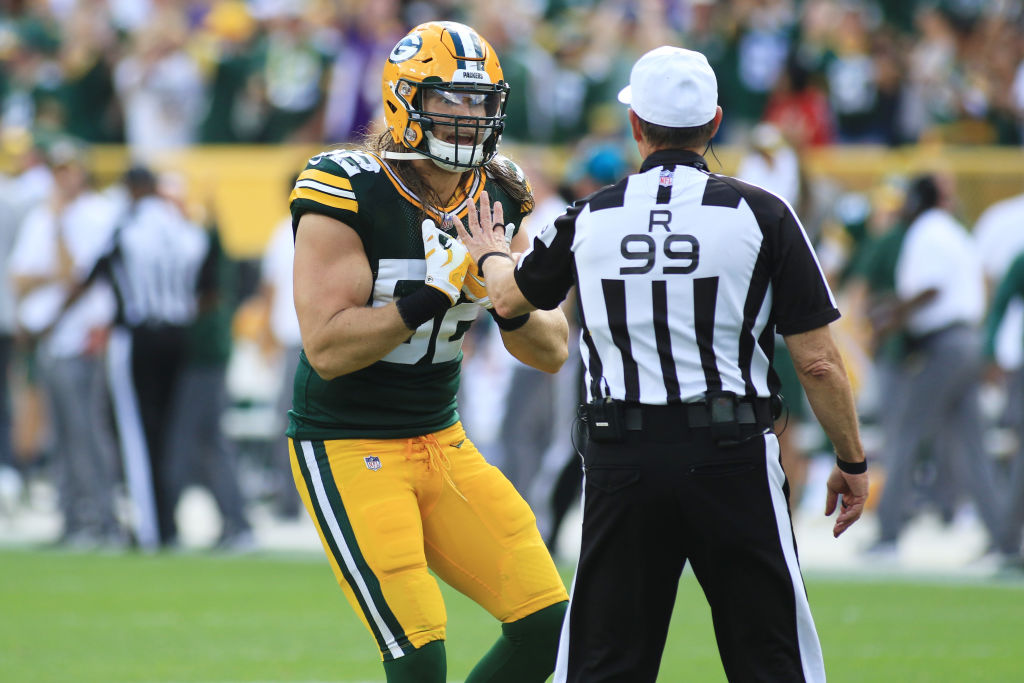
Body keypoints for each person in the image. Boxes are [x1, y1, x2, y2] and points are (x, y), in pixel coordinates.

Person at [457, 46, 869, 682]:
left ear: (636, 126)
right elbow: (818, 364)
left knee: (603, 665)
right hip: (731, 454)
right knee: (773, 662)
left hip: (623, 456)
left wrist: (489, 251)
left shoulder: (590, 214)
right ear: (714, 123)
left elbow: (511, 299)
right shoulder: (764, 213)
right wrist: (851, 460)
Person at [287, 21, 569, 682]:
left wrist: (502, 290)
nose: (470, 115)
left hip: (442, 437)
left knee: (551, 626)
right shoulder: (347, 185)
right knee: (419, 655)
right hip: (348, 441)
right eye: (451, 98)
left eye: (481, 100)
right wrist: (430, 296)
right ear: (404, 99)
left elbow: (552, 348)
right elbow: (327, 348)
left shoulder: (498, 191)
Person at [868, 174, 1003, 555]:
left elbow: (930, 288)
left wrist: (891, 317)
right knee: (974, 445)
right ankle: (1003, 538)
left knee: (906, 433)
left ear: (915, 201)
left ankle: (888, 532)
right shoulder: (954, 230)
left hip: (943, 344)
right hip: (968, 339)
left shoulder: (926, 231)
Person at [8, 140, 123, 548]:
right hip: (49, 339)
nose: (64, 178)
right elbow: (19, 278)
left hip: (81, 337)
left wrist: (58, 232)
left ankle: (103, 519)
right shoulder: (43, 214)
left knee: (87, 433)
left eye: (70, 169)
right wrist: (49, 274)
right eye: (59, 170)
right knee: (59, 435)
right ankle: (72, 517)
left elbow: (74, 274)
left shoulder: (97, 213)